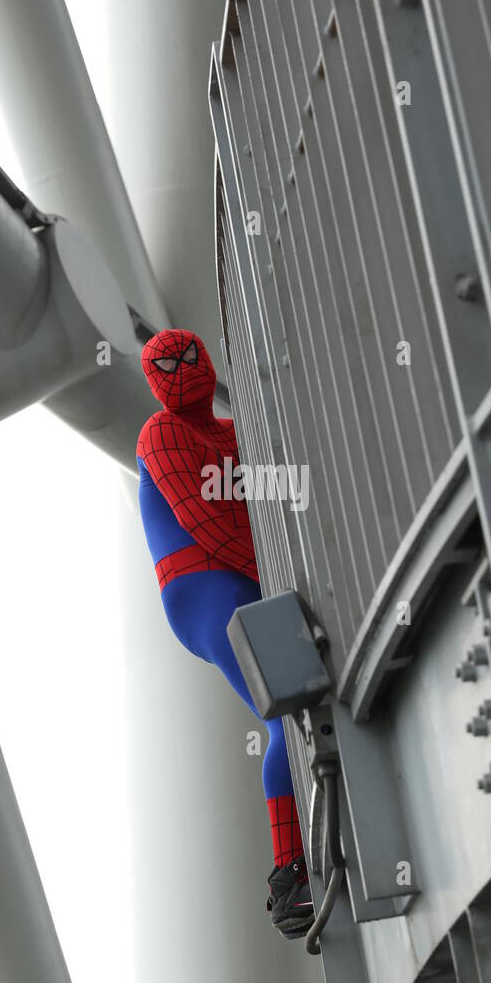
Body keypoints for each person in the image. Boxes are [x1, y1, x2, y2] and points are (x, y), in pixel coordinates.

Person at [136, 327, 314, 938]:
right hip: (206, 584)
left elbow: (282, 496)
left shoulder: (235, 436)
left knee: (297, 710)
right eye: (167, 363)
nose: (181, 369)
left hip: (241, 578)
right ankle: (289, 873)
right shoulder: (160, 434)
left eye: (188, 356)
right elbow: (205, 521)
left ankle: (305, 857)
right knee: (285, 716)